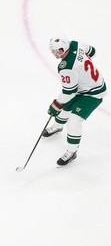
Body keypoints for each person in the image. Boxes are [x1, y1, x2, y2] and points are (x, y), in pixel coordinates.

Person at [44, 36, 107, 166]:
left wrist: (56, 105)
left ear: (62, 49)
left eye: (55, 51)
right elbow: (93, 51)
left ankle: (72, 152)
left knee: (74, 121)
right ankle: (57, 127)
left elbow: (69, 92)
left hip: (93, 93)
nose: (53, 53)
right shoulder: (75, 44)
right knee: (66, 108)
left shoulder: (66, 67)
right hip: (85, 87)